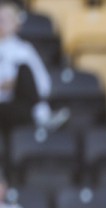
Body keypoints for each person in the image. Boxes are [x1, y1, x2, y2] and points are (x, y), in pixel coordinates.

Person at [0, 0, 66, 132]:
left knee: (24, 69)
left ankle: (42, 119)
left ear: (16, 24)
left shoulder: (24, 50)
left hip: (19, 106)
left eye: (4, 20)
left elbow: (42, 82)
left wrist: (16, 83)